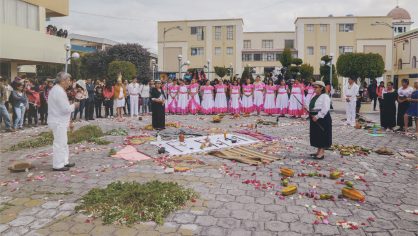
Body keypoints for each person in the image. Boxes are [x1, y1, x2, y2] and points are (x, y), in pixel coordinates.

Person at [48, 72, 79, 171]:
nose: (70, 83)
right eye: (68, 80)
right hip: (58, 121)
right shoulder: (58, 91)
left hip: (60, 120)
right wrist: (74, 105)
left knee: (64, 143)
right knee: (59, 143)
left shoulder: (58, 89)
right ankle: (58, 165)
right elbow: (65, 109)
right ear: (63, 81)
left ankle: (64, 161)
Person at [306, 81, 332, 160]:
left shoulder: (325, 96)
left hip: (322, 119)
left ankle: (322, 153)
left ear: (321, 88)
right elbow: (313, 106)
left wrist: (317, 116)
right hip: (314, 118)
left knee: (322, 135)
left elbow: (325, 108)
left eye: (316, 87)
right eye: (314, 87)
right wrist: (307, 108)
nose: (314, 89)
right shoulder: (315, 96)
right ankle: (318, 151)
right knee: (316, 135)